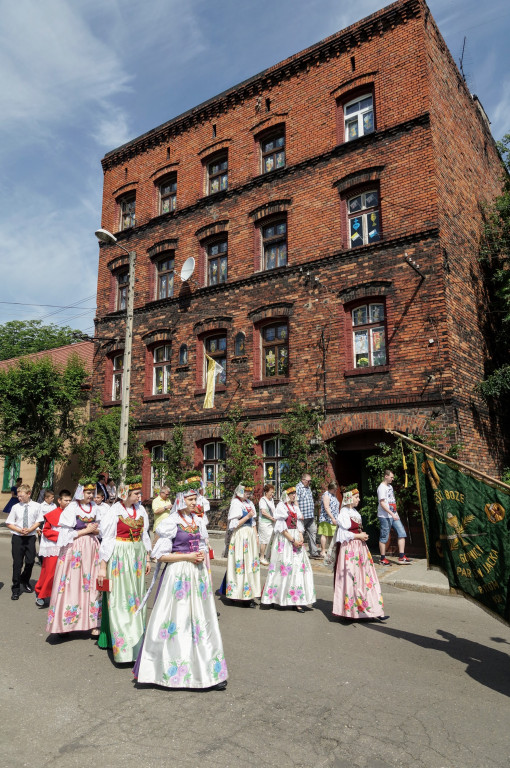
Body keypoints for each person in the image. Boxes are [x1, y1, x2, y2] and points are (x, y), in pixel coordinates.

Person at [133, 482, 228, 690]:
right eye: (191, 499)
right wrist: (187, 556)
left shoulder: (198, 521)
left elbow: (202, 544)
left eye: (196, 499)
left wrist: (200, 555)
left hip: (197, 575)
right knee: (177, 620)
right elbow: (159, 556)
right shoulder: (171, 522)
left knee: (200, 622)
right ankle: (163, 670)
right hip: (178, 576)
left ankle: (206, 671)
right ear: (181, 501)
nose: (195, 503)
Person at [97, 477, 151, 663]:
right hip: (120, 555)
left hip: (137, 556)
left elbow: (144, 535)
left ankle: (137, 639)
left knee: (136, 598)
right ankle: (124, 647)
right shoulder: (115, 511)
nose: (139, 496)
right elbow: (108, 539)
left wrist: (148, 557)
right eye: (136, 494)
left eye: (139, 493)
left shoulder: (141, 510)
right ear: (125, 494)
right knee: (121, 598)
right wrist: (103, 566)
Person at [46, 480, 102, 637]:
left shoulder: (96, 508)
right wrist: (86, 531)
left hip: (92, 548)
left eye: (93, 493)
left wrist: (95, 531)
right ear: (81, 493)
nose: (91, 495)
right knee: (70, 584)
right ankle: (65, 624)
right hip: (74, 549)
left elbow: (102, 530)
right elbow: (64, 534)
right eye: (88, 493)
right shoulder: (72, 508)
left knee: (91, 584)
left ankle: (93, 623)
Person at [261, 482, 316, 612]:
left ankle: (296, 600)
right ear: (286, 495)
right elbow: (281, 529)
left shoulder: (294, 507)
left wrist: (301, 537)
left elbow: (298, 524)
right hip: (285, 541)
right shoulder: (281, 507)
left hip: (295, 538)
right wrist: (292, 540)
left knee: (298, 569)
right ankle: (276, 597)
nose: (293, 496)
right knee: (283, 567)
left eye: (294, 493)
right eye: (291, 494)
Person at [332, 487, 386, 620]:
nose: (359, 499)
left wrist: (362, 536)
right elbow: (342, 534)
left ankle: (372, 610)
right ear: (350, 498)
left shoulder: (354, 512)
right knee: (352, 579)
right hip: (350, 549)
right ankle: (350, 612)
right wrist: (358, 536)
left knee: (365, 579)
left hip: (360, 548)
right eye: (357, 497)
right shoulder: (343, 513)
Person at [221, 483, 261, 607]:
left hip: (249, 535)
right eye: (246, 492)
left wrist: (256, 536)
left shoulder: (249, 503)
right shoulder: (236, 504)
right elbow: (233, 524)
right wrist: (247, 517)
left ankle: (248, 593)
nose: (248, 494)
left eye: (249, 492)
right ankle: (238, 594)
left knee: (250, 563)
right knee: (240, 563)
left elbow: (253, 521)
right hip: (240, 535)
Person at [35, 489, 72, 608]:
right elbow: (46, 531)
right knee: (49, 572)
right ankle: (41, 594)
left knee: (66, 573)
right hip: (54, 546)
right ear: (59, 500)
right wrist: (61, 537)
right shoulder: (52, 514)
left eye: (70, 500)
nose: (68, 502)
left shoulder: (73, 514)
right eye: (65, 500)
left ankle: (61, 596)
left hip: (68, 546)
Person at [6, 484, 41, 600]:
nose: (19, 498)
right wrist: (19, 530)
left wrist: (30, 529)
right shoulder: (16, 507)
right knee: (17, 563)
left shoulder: (36, 506)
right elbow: (9, 523)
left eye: (21, 496)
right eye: (18, 496)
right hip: (18, 537)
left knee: (30, 561)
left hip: (30, 537)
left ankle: (24, 580)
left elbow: (39, 520)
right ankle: (15, 588)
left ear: (29, 494)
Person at [377, 470, 411, 565]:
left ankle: (401, 557)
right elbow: (383, 503)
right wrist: (391, 514)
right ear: (386, 476)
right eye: (391, 477)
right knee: (384, 537)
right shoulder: (381, 488)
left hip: (394, 515)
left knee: (402, 533)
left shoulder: (390, 487)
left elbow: (392, 501)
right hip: (385, 516)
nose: (393, 479)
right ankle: (383, 559)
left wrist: (395, 513)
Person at [296, 473, 321, 559]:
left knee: (313, 532)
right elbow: (296, 501)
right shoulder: (298, 488)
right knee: (300, 533)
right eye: (308, 481)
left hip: (310, 515)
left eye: (310, 481)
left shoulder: (308, 488)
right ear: (303, 480)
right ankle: (298, 551)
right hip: (302, 516)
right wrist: (299, 513)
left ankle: (313, 552)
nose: (309, 482)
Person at [318, 482, 340, 557]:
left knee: (331, 535)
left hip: (333, 519)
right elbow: (327, 508)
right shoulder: (326, 495)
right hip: (326, 518)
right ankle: (323, 551)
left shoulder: (333, 495)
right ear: (331, 488)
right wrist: (332, 518)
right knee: (325, 534)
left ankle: (331, 550)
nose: (335, 491)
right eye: (334, 489)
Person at [36, 489, 57, 564]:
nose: (53, 499)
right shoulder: (41, 506)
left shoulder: (54, 505)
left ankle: (49, 559)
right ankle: (41, 560)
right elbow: (37, 518)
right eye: (51, 497)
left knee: (50, 543)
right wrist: (37, 528)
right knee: (42, 543)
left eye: (53, 497)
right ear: (46, 498)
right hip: (42, 525)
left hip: (51, 525)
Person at [258, 483, 276, 566]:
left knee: (271, 540)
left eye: (273, 492)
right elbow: (263, 512)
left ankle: (268, 556)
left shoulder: (271, 500)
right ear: (266, 492)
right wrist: (272, 518)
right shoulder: (263, 500)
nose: (272, 494)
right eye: (271, 492)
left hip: (271, 523)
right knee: (264, 540)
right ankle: (261, 557)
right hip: (264, 523)